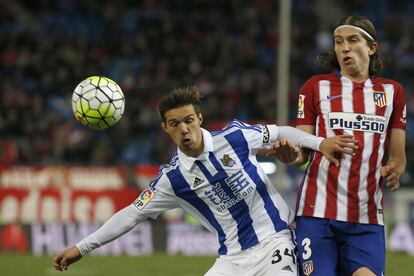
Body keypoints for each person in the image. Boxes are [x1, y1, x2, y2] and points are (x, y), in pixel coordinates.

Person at [53, 86, 355, 275]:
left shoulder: (235, 137)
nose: (183, 129)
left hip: (276, 241)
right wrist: (82, 248)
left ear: (199, 119)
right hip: (232, 260)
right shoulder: (172, 179)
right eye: (175, 124)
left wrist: (319, 143)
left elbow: (281, 132)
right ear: (165, 128)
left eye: (188, 120)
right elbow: (132, 214)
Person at [288, 15, 406, 276]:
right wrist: (291, 154)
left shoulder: (392, 92)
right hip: (317, 215)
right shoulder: (314, 87)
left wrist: (395, 170)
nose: (344, 48)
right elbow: (300, 153)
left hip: (366, 218)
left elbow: (398, 157)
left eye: (353, 41)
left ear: (371, 48)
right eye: (338, 42)